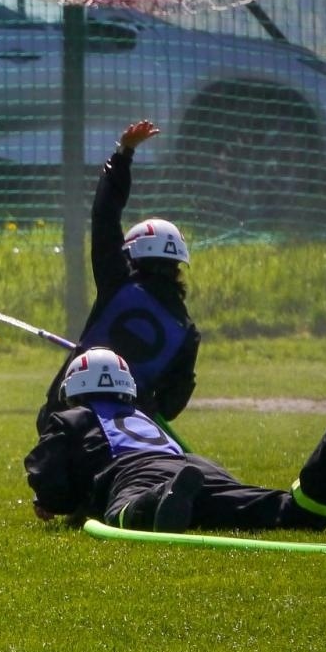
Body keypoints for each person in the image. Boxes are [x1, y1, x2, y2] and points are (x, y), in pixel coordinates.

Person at [24, 347, 326, 533]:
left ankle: (160, 500)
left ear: (73, 391)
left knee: (122, 514)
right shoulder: (144, 417)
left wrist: (50, 502)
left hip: (136, 477)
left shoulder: (72, 417)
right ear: (127, 391)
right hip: (197, 467)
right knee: (298, 513)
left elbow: (51, 482)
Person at [38, 119, 198, 433]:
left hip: (66, 417)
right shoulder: (186, 330)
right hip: (133, 433)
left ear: (132, 254)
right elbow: (173, 400)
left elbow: (105, 215)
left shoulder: (118, 282)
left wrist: (123, 154)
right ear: (178, 263)